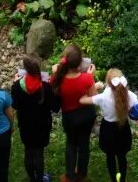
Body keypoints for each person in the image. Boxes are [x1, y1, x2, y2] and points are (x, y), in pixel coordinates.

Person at [51, 44, 98, 182]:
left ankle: (69, 175)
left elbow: (53, 83)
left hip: (69, 117)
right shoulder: (87, 78)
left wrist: (56, 70)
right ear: (80, 62)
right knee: (84, 144)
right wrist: (90, 76)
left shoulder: (57, 78)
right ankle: (82, 175)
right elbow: (93, 98)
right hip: (86, 115)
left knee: (71, 144)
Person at [82, 68, 138, 182]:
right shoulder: (130, 95)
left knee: (110, 156)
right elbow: (137, 107)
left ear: (108, 82)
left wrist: (92, 87)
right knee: (122, 156)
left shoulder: (103, 97)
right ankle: (122, 179)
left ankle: (114, 179)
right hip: (123, 127)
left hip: (108, 129)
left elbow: (83, 100)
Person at [11, 55, 59, 182]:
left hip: (25, 124)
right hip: (42, 125)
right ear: (39, 68)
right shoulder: (46, 87)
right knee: (38, 152)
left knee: (28, 150)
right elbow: (55, 108)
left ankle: (32, 178)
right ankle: (39, 179)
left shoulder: (17, 86)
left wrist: (15, 82)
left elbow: (15, 105)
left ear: (25, 69)